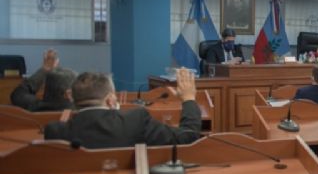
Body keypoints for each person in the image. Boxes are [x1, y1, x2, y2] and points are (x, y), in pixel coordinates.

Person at [44, 68, 202, 149]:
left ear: (73, 98)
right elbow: (188, 138)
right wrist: (188, 99)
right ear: (111, 100)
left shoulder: (55, 132)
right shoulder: (135, 121)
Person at [10, 49, 76, 112]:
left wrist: (44, 70)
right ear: (68, 94)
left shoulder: (35, 106)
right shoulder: (78, 112)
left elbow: (18, 94)